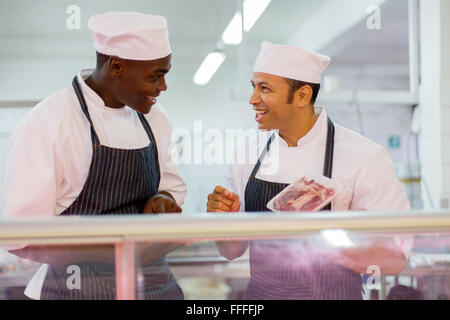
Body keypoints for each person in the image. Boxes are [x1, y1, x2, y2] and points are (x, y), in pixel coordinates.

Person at [2, 12, 187, 300]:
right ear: (116, 66)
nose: (163, 87)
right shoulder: (47, 123)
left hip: (151, 286)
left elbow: (171, 188)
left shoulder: (155, 119)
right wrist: (115, 249)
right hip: (74, 288)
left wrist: (163, 201)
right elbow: (20, 236)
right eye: (156, 75)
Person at [207, 41, 412, 300]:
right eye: (253, 86)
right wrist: (224, 218)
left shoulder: (365, 157)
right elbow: (231, 251)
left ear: (302, 96)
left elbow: (393, 260)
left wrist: (325, 239)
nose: (252, 99)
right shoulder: (247, 154)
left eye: (265, 88)